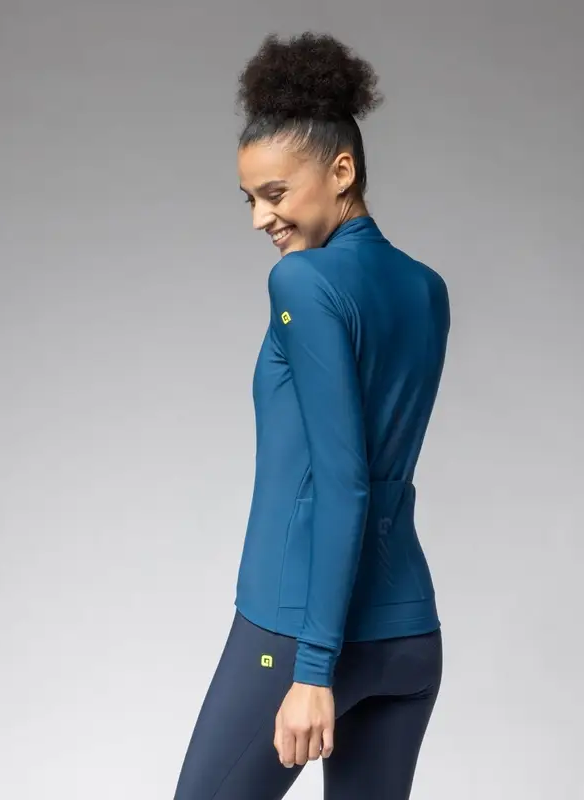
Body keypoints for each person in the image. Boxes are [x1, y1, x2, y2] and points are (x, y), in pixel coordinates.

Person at [173, 31, 450, 800]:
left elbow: (344, 481)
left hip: (299, 633)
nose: (260, 218)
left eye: (275, 193)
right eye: (251, 200)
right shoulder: (427, 289)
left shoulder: (302, 283)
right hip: (408, 634)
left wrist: (314, 669)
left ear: (342, 170)